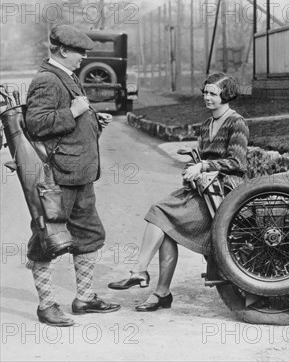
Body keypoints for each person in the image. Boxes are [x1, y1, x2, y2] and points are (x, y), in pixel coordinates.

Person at [108, 72, 249, 312]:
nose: (207, 97)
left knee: (160, 213)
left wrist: (203, 165)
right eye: (205, 92)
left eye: (213, 93)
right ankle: (161, 292)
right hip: (203, 189)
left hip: (223, 194)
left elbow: (238, 164)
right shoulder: (207, 124)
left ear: (226, 95)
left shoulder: (237, 122)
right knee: (165, 226)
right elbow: (207, 156)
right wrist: (194, 156)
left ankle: (141, 272)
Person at [25, 24, 119, 327]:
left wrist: (93, 121)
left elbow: (67, 124)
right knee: (48, 239)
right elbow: (37, 124)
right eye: (80, 51)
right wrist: (77, 112)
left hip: (79, 174)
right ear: (63, 50)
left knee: (89, 236)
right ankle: (47, 305)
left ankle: (84, 297)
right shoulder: (47, 79)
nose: (84, 57)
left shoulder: (68, 76)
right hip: (59, 177)